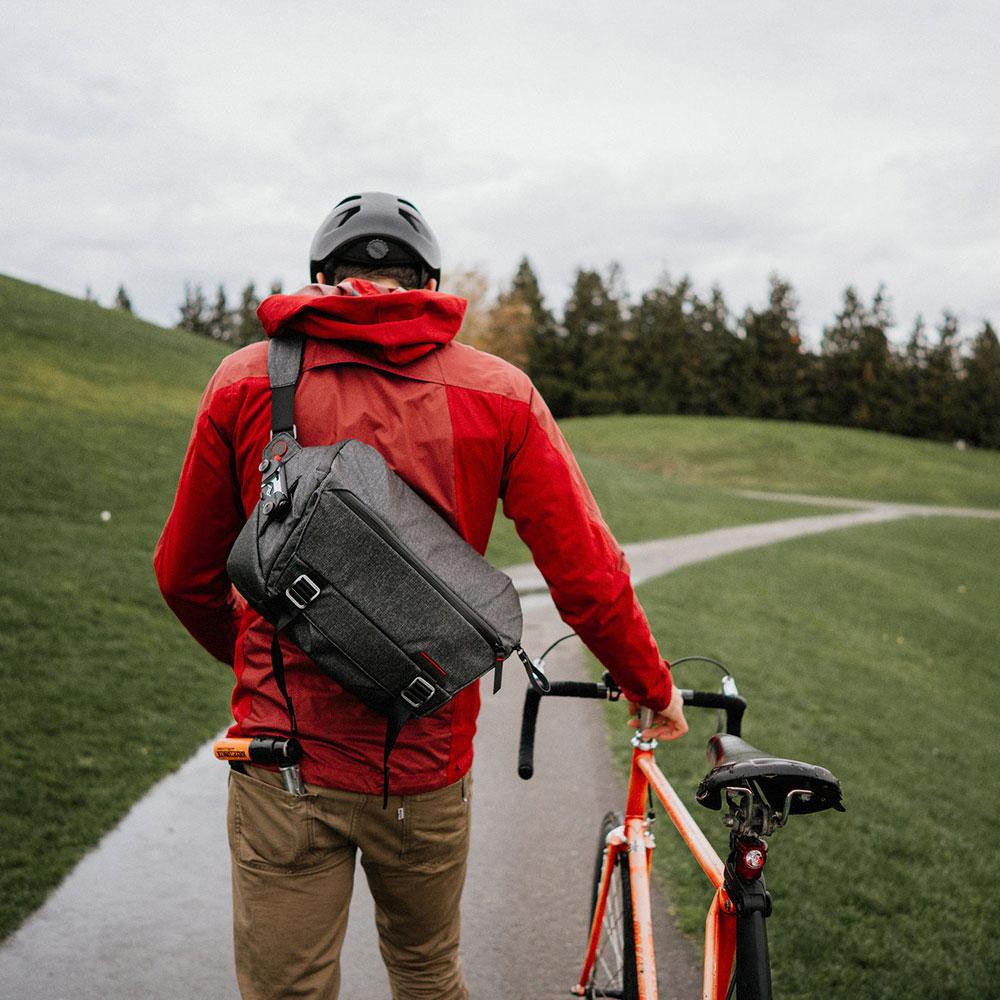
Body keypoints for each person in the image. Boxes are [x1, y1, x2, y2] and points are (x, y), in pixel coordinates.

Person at [154, 191, 687, 1000]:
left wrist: (271, 653)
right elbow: (588, 576)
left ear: (322, 275)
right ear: (428, 282)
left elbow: (183, 576)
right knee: (428, 972)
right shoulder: (500, 393)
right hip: (426, 761)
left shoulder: (245, 382)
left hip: (282, 760)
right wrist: (651, 685)